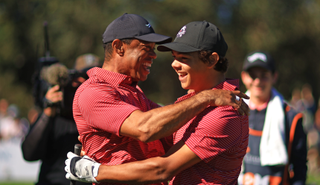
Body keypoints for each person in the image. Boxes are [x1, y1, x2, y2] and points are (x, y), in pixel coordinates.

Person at [65, 20, 249, 185]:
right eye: (147, 48)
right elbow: (147, 128)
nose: (171, 63)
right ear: (119, 47)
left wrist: (93, 171)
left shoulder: (224, 110)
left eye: (183, 58)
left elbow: (162, 167)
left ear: (212, 60)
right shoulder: (94, 91)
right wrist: (206, 97)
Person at [21, 53, 100, 185]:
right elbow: (29, 154)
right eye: (83, 78)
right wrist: (48, 111)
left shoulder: (102, 114)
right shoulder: (55, 112)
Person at [237, 51, 307, 185]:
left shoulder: (291, 118)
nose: (257, 81)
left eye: (264, 76)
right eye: (253, 76)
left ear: (274, 77)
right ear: (244, 77)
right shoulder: (233, 112)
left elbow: (299, 168)